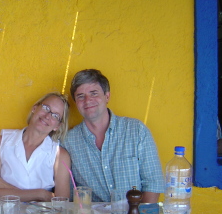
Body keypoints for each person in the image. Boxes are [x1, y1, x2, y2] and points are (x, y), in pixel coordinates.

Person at [62, 69, 164, 203]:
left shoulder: (136, 130)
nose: (88, 100)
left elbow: (153, 183)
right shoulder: (68, 142)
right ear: (76, 102)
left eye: (94, 93)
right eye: (81, 96)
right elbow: (69, 193)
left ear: (107, 96)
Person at [0, 92, 72, 202]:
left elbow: (62, 202)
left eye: (55, 115)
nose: (47, 116)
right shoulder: (0, 142)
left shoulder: (60, 155)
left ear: (57, 126)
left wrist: (7, 187)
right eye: (46, 108)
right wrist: (41, 194)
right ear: (35, 108)